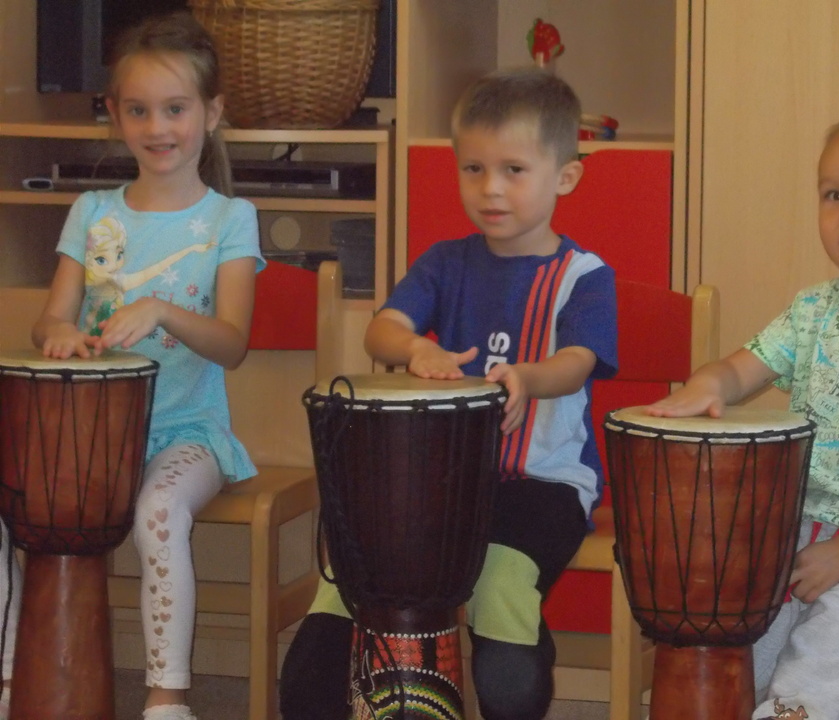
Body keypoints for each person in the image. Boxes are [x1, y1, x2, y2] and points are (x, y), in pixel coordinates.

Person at [279, 67, 618, 720]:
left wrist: (527, 377)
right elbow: (383, 330)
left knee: (500, 586)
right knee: (348, 582)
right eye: (473, 169)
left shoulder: (584, 277)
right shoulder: (445, 262)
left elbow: (577, 363)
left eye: (514, 170)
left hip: (543, 485)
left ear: (565, 176)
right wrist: (416, 349)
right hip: (440, 484)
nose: (491, 188)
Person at [645, 113, 839, 720]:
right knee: (727, 649)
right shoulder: (815, 308)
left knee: (816, 678)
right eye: (834, 194)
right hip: (797, 526)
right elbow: (739, 371)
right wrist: (707, 384)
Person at [29, 12, 263, 720]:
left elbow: (232, 343)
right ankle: (16, 679)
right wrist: (61, 336)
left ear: (211, 113)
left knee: (158, 512)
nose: (157, 128)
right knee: (16, 507)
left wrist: (162, 310)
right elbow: (51, 318)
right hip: (93, 433)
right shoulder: (91, 210)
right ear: (114, 113)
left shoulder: (229, 219)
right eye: (138, 110)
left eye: (175, 109)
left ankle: (167, 697)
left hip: (189, 433)